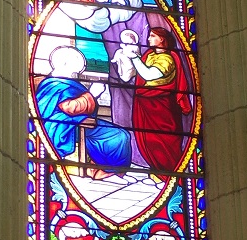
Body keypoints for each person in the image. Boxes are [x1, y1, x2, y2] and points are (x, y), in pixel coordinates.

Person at [35, 46, 132, 177]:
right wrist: (92, 94)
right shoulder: (56, 84)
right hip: (65, 128)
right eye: (74, 68)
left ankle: (99, 164)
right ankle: (110, 170)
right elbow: (69, 107)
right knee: (120, 136)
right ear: (64, 64)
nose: (75, 73)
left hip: (74, 124)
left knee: (116, 133)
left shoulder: (59, 82)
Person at [131, 27, 192, 173]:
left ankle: (170, 173)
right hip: (146, 102)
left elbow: (148, 75)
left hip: (162, 106)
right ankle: (157, 170)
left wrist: (134, 58)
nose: (148, 39)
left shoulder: (167, 59)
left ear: (162, 39)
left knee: (164, 140)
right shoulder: (149, 55)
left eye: (152, 36)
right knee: (149, 139)